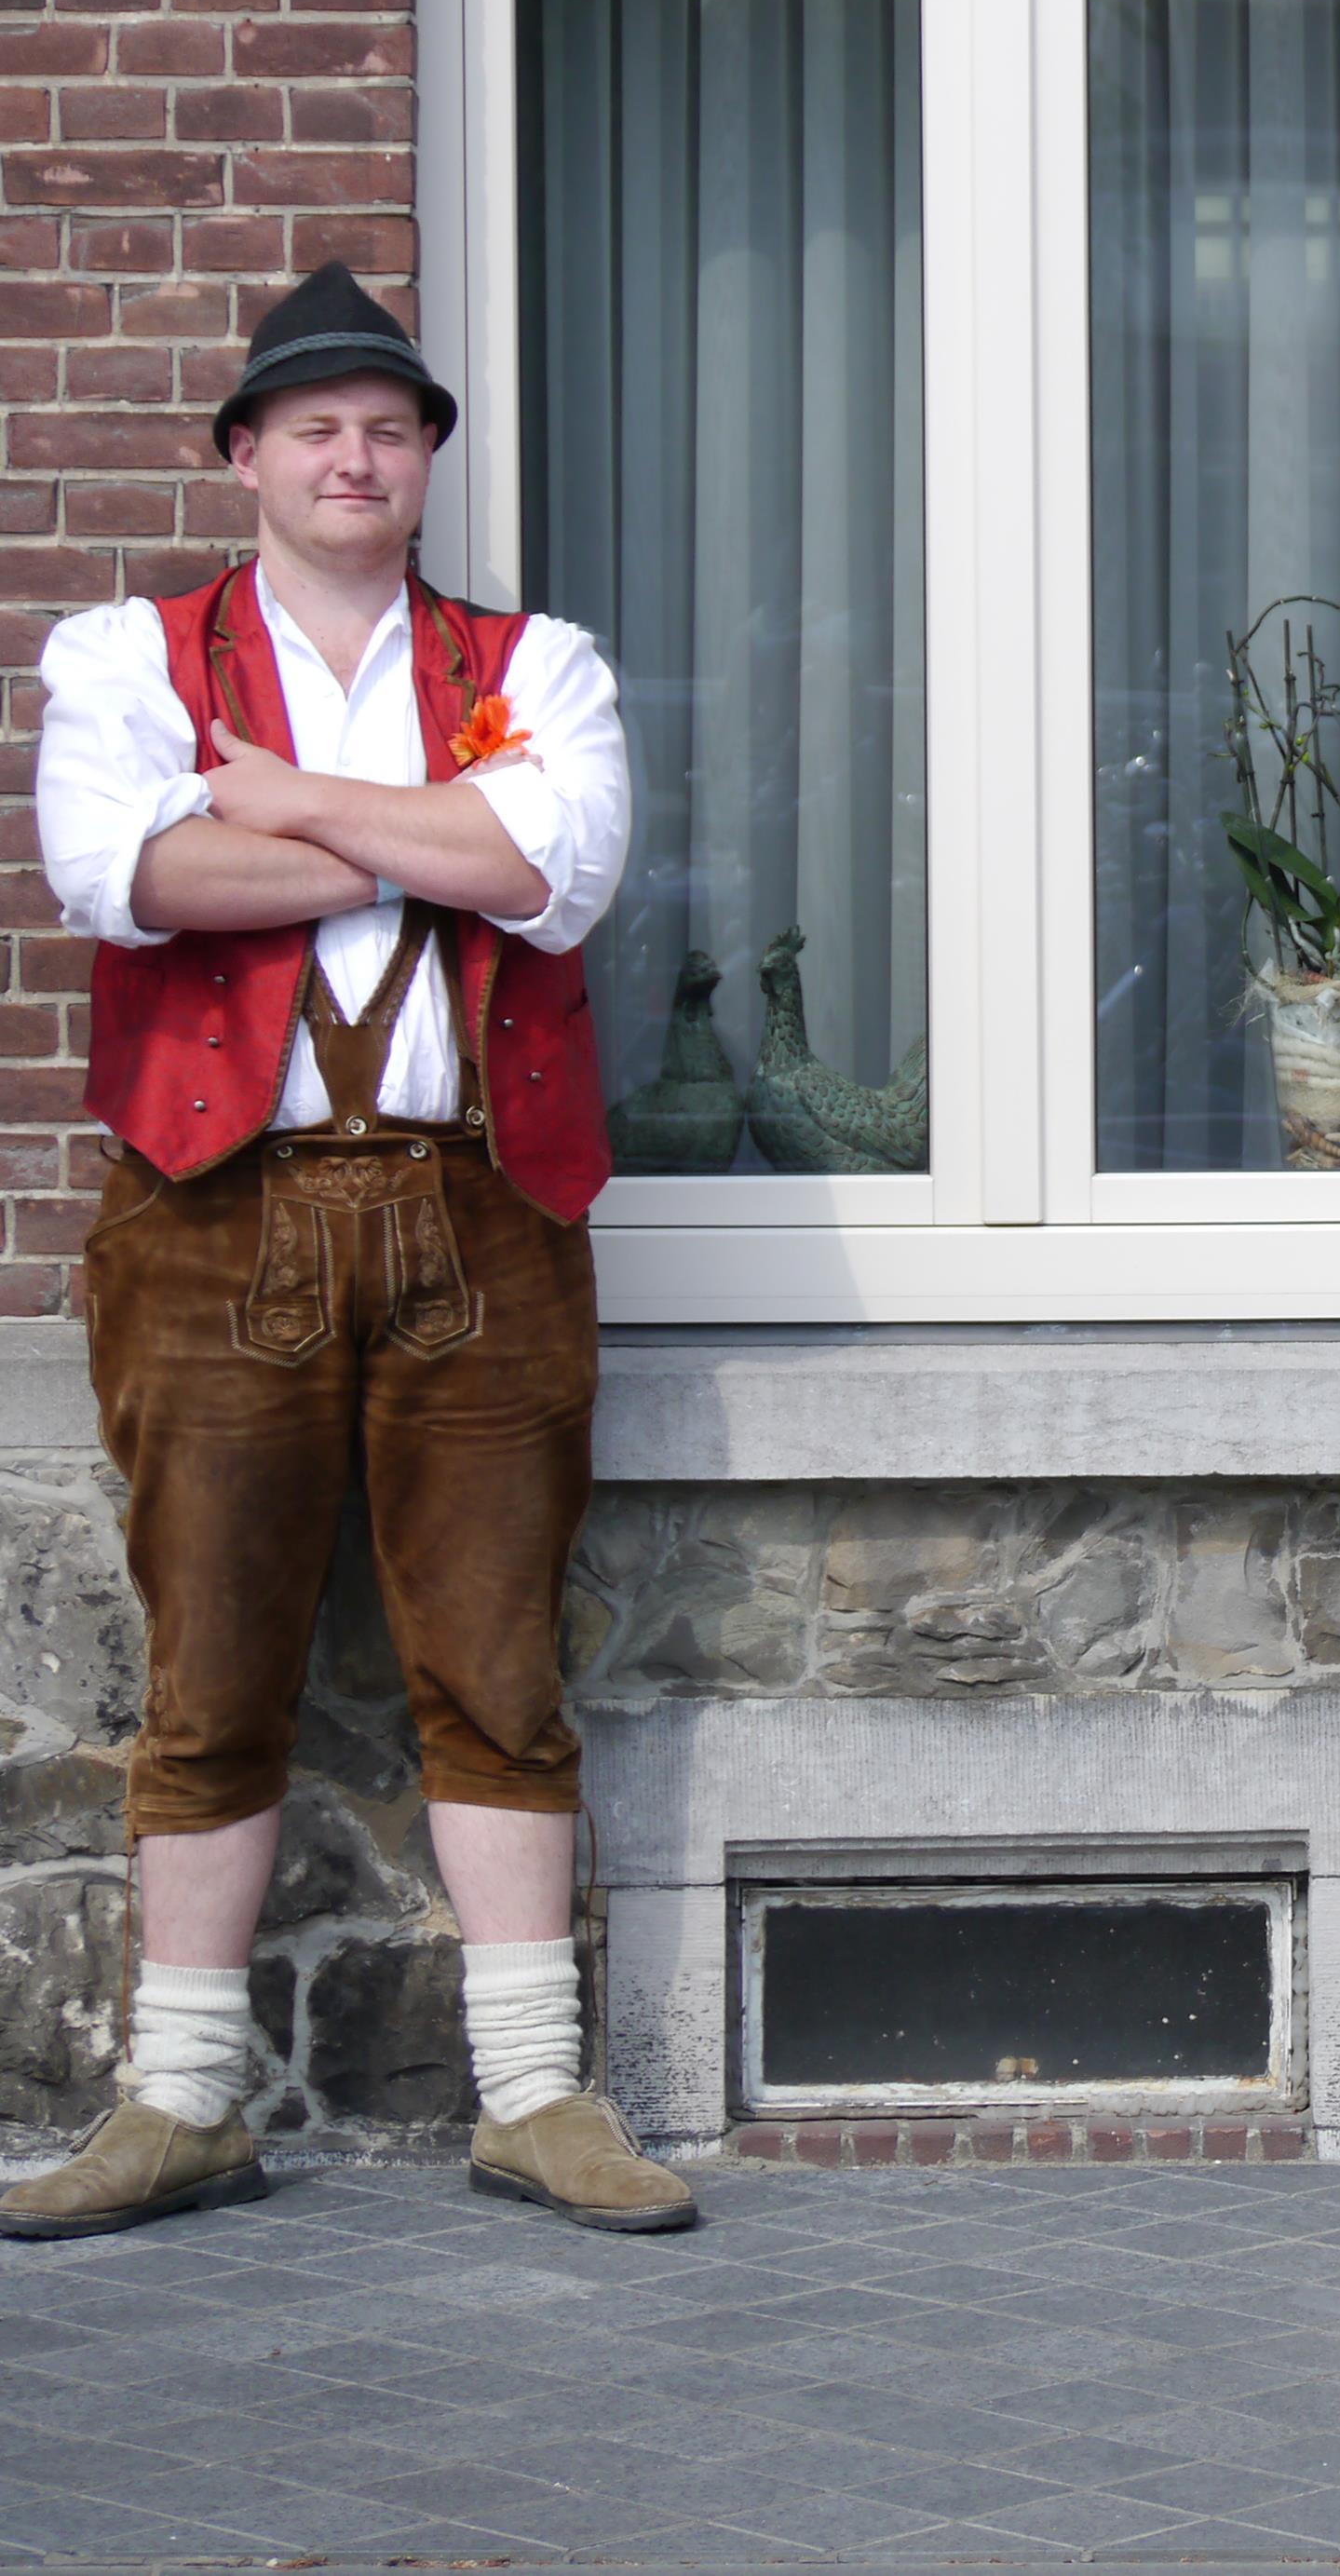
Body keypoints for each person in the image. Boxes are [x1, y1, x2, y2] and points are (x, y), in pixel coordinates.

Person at [2, 266, 687, 2239]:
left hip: (487, 1211)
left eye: (389, 429)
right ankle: (181, 2098)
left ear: (425, 462)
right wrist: (428, 831)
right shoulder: (131, 652)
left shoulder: (536, 658)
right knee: (213, 1660)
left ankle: (536, 2095)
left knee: (497, 1659)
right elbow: (120, 873)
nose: (355, 458)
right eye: (315, 428)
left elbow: (557, 878)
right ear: (247, 457)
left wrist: (289, 802)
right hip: (212, 1215)